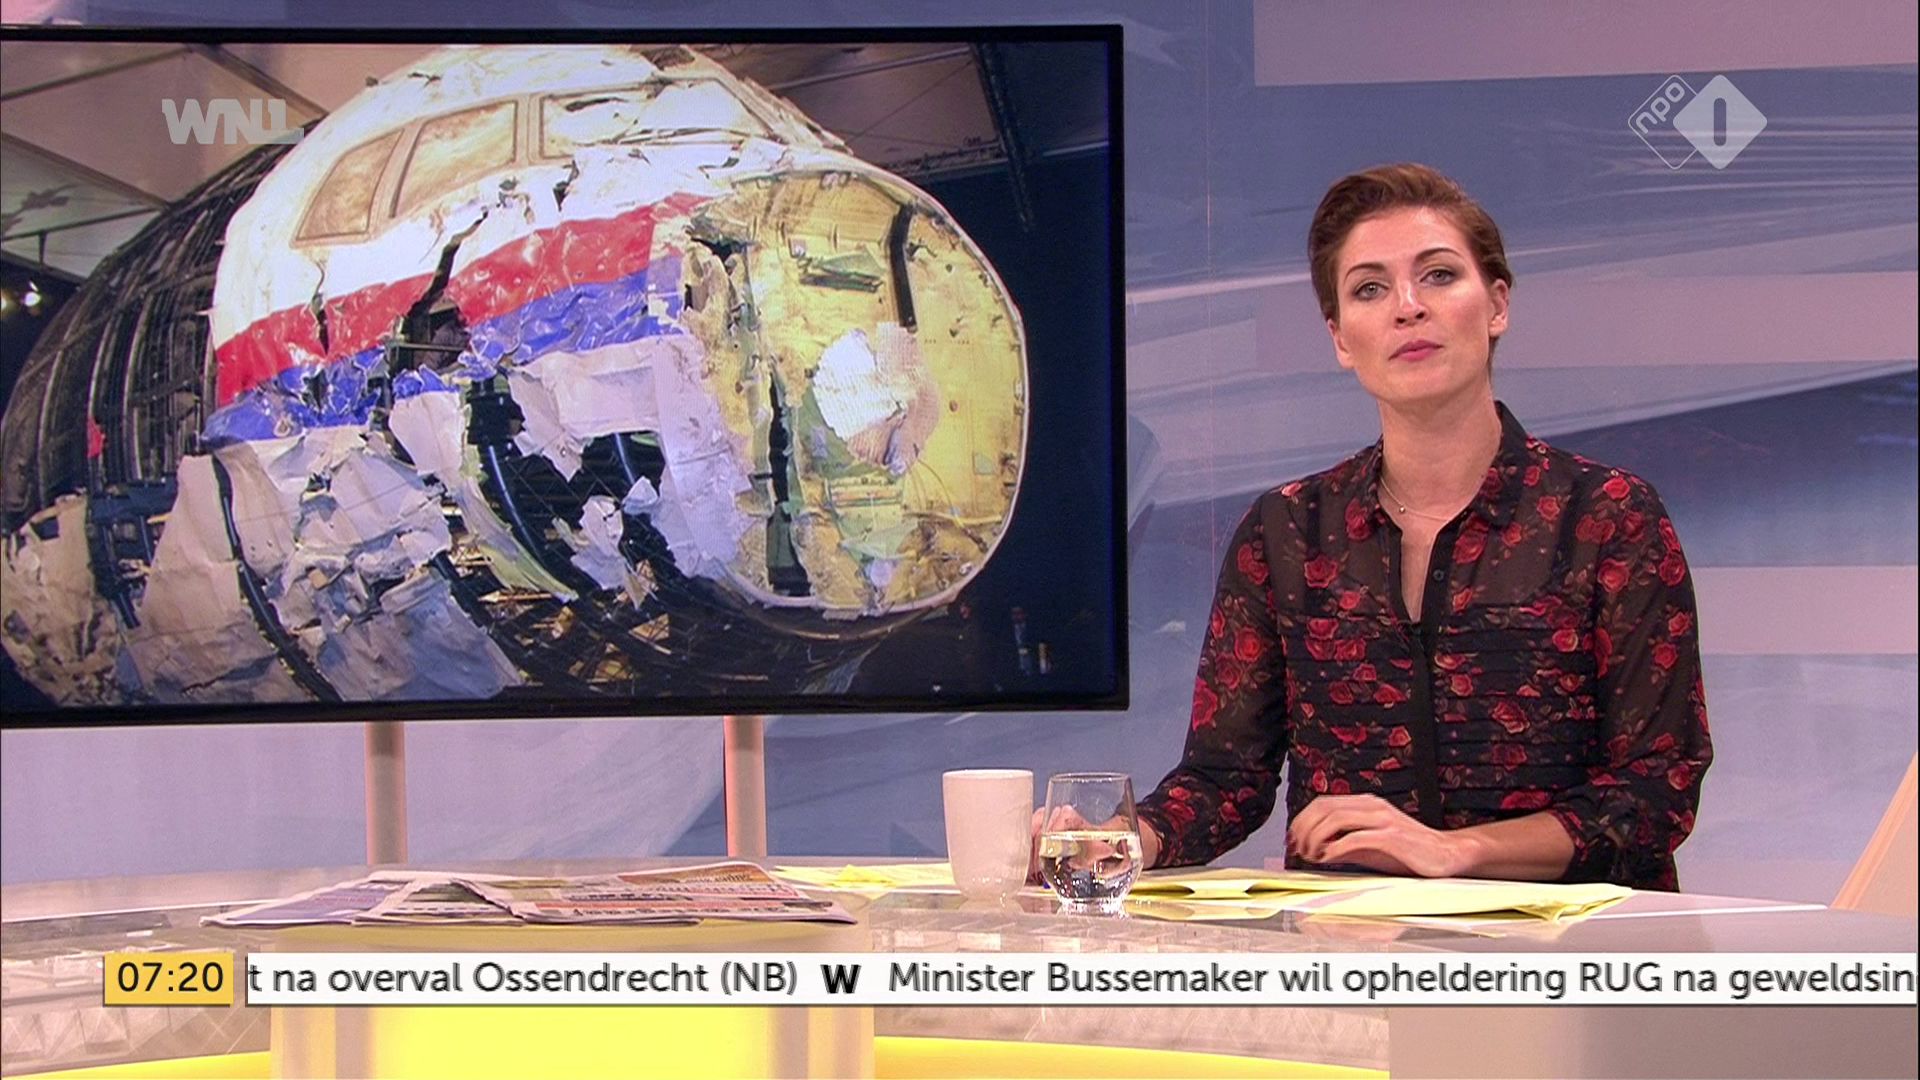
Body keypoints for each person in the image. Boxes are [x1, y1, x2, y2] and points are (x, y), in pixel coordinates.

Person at [1126, 163, 1712, 891]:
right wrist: (1124, 840)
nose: (1407, 307)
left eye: (1438, 275)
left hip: (1570, 946)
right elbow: (1224, 779)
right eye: (1369, 289)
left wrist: (1456, 851)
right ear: (1341, 338)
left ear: (1497, 304)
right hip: (1354, 944)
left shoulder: (1608, 516)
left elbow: (1656, 788)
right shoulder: (1287, 531)